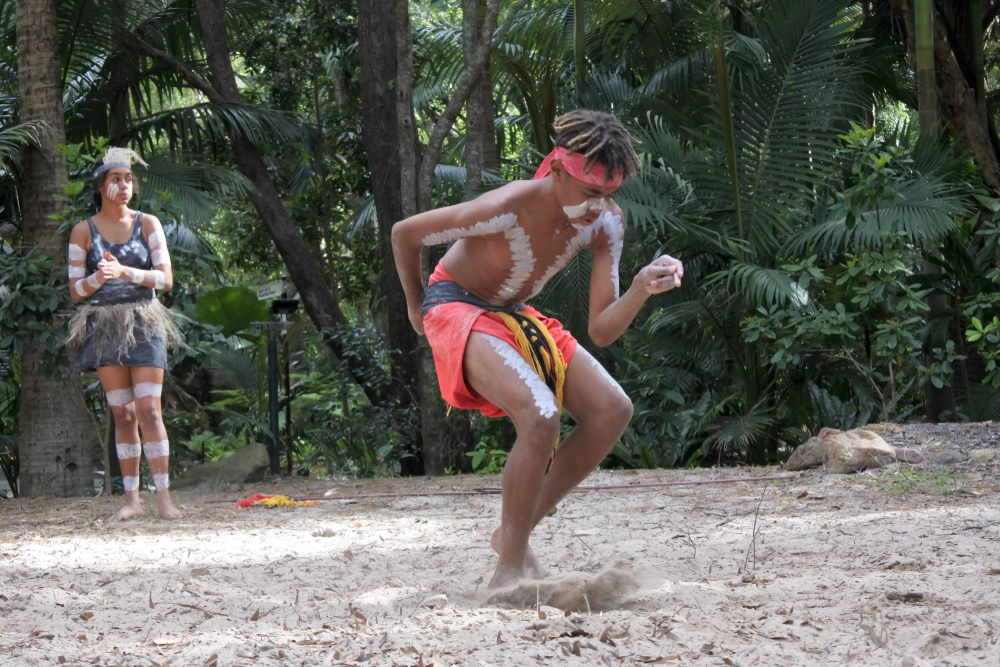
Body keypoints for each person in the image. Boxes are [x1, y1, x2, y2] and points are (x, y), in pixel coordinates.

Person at [392, 109, 684, 588]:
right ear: (555, 171)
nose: (599, 207)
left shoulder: (607, 224)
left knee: (611, 409)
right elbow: (406, 233)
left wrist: (639, 290)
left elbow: (602, 330)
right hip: (456, 303)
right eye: (591, 193)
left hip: (514, 313)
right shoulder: (506, 206)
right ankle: (508, 571)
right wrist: (414, 305)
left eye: (609, 195)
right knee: (541, 415)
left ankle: (511, 534)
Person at [65, 147, 183, 521]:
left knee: (149, 409)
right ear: (101, 186)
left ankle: (164, 498)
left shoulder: (148, 223)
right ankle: (132, 501)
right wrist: (100, 277)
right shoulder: (83, 230)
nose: (124, 185)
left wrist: (127, 272)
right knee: (123, 414)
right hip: (103, 325)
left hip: (145, 323)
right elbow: (74, 290)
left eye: (128, 178)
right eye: (116, 179)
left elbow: (165, 280)